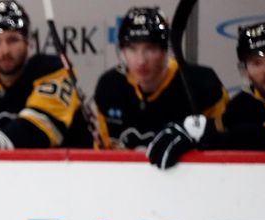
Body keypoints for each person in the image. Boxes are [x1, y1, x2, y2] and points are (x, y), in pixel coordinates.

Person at [93, 6, 227, 158]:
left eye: (150, 48)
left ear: (165, 50)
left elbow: (226, 145)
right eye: (132, 49)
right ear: (122, 51)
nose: (141, 60)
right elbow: (103, 154)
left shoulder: (202, 85)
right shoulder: (109, 87)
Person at [0, 0, 92, 149]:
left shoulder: (55, 71)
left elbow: (37, 133)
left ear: (28, 41)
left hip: (71, 169)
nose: (5, 50)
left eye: (13, 40)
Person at [148, 20, 265, 163]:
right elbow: (220, 127)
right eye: (256, 63)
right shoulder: (242, 103)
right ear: (245, 69)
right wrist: (184, 128)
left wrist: (202, 134)